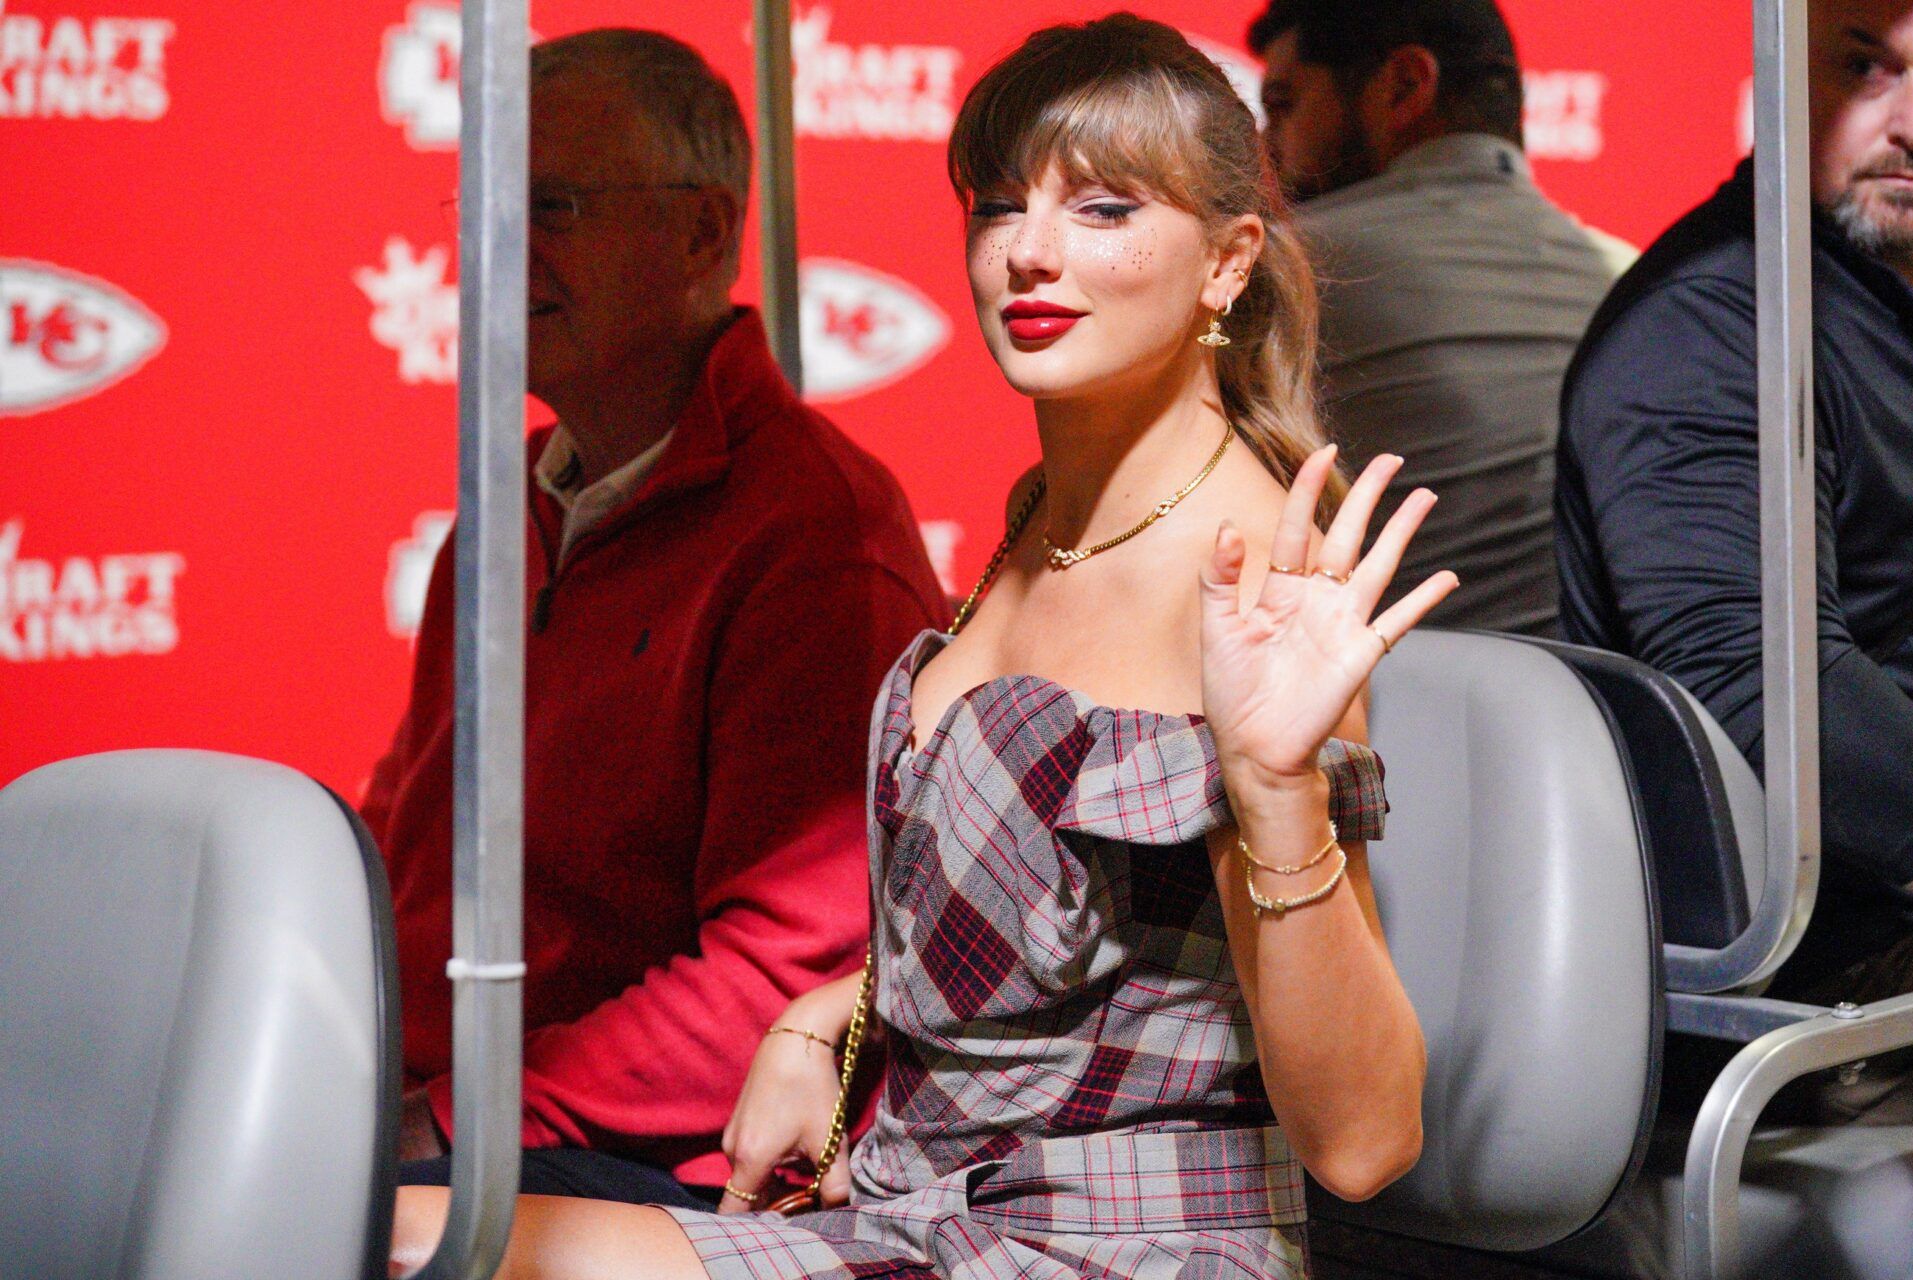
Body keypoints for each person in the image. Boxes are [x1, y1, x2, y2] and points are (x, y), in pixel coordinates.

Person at [388, 16, 1456, 1278]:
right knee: (376, 1228)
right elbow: (1046, 938)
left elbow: (1366, 1139)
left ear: (1228, 264)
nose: (1030, 254)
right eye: (999, 206)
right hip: (905, 1209)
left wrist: (1280, 792)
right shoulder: (1042, 521)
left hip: (1116, 1247)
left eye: (1104, 210)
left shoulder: (1251, 568)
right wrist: (825, 1018)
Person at [361, 28, 949, 1206]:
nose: (501, 245)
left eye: (557, 203)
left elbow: (777, 984)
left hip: (664, 1172)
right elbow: (403, 845)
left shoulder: (815, 535)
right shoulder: (507, 504)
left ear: (701, 232)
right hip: (457, 1113)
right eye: (484, 204)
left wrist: (440, 1121)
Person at [1559, 0, 1913, 1039]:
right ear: (1781, 78)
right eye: (1865, 70)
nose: (1911, 121)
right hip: (1799, 993)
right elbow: (1760, 682)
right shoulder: (1710, 324)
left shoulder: (1879, 287)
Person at [1248, 0, 1620, 636]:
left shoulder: (1282, 270)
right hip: (1610, 710)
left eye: (1284, 105)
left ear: (1404, 86)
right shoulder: (1627, 276)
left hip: (1389, 712)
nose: (1263, 144)